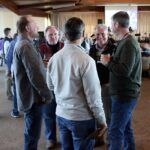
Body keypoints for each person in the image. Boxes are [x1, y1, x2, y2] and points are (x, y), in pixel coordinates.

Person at [47, 17, 107, 150]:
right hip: (81, 118)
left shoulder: (53, 59)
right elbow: (94, 97)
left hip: (61, 114)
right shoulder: (87, 61)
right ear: (84, 34)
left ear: (64, 35)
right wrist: (102, 121)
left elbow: (50, 86)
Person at [101, 11, 142, 150]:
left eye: (111, 24)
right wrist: (112, 60)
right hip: (124, 93)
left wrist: (108, 63)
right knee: (125, 128)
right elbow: (124, 64)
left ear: (116, 24)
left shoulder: (128, 43)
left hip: (125, 95)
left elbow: (125, 70)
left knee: (115, 131)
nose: (110, 27)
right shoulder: (125, 41)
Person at [13, 15, 53, 150]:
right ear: (27, 28)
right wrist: (47, 95)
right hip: (33, 98)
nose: (37, 27)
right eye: (35, 23)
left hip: (29, 97)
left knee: (30, 133)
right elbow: (35, 75)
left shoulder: (24, 43)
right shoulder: (26, 46)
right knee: (32, 136)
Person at [89, 24, 116, 146]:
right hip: (95, 87)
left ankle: (110, 141)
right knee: (96, 115)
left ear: (108, 34)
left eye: (103, 34)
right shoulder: (92, 48)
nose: (100, 36)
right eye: (98, 34)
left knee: (108, 115)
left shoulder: (115, 47)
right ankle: (99, 139)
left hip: (108, 86)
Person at [39, 26, 64, 149]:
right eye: (50, 35)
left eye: (55, 34)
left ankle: (66, 138)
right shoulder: (40, 48)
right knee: (49, 115)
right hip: (48, 87)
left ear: (59, 35)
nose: (53, 37)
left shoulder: (65, 46)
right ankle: (51, 139)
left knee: (64, 114)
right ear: (45, 37)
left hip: (63, 87)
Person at [6, 33, 20, 118]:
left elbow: (9, 58)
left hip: (17, 71)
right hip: (27, 72)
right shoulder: (29, 42)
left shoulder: (13, 43)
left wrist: (9, 71)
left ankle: (15, 111)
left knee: (16, 91)